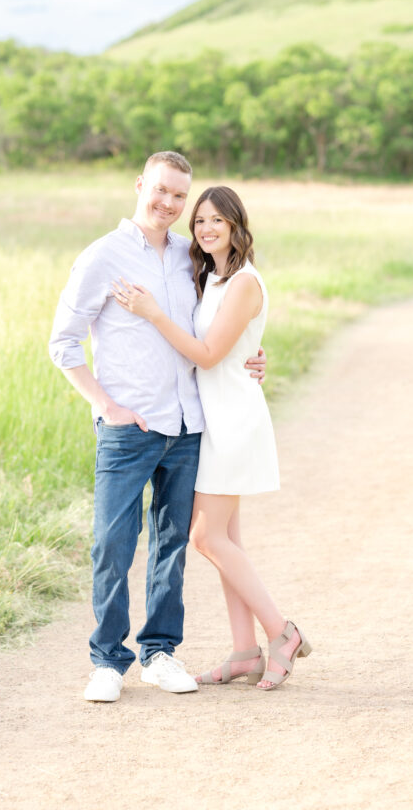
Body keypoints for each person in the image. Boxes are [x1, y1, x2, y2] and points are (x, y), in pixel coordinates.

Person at [49, 153, 267, 702]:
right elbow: (63, 342)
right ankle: (107, 660)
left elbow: (215, 329)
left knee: (172, 546)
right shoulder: (103, 255)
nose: (169, 204)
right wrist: (105, 404)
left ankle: (160, 652)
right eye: (162, 191)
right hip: (129, 426)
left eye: (179, 197)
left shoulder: (189, 258)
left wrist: (252, 355)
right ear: (141, 185)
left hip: (189, 425)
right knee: (114, 544)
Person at [112, 185, 311, 691]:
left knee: (205, 536)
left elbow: (206, 355)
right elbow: (230, 342)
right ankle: (245, 651)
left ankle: (281, 632)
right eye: (199, 221)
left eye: (217, 220)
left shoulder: (244, 282)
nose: (205, 228)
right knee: (228, 539)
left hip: (234, 420)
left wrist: (152, 313)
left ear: (236, 226)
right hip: (213, 418)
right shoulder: (213, 278)